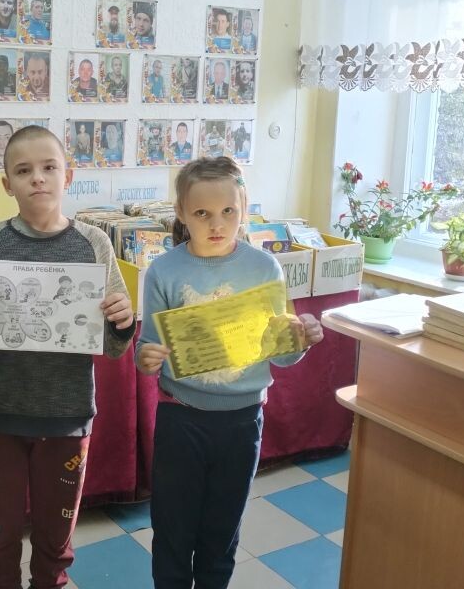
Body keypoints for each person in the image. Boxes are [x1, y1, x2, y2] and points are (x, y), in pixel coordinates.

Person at [0, 126, 135, 589]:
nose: (38, 178)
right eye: (23, 170)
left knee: (55, 536)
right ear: (6, 184)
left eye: (49, 167)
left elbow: (114, 347)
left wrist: (122, 320)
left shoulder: (94, 243)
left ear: (68, 176)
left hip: (67, 416)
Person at [136, 157, 324, 589]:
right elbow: (148, 346)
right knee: (172, 531)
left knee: (221, 533)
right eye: (202, 213)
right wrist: (145, 358)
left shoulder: (264, 268)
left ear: (244, 208)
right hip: (181, 418)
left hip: (242, 421)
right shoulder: (164, 270)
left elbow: (280, 354)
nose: (217, 224)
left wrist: (301, 340)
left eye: (228, 212)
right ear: (181, 213)